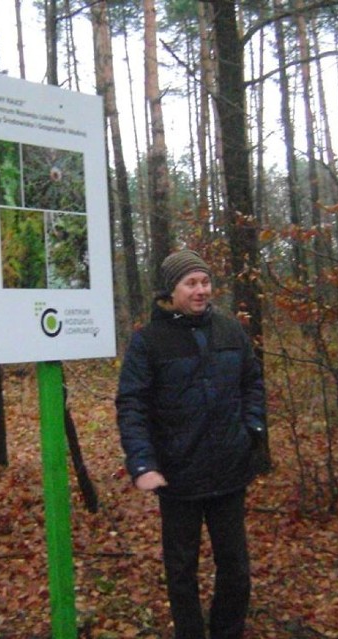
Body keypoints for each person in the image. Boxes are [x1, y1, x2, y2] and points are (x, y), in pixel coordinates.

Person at [116, 249, 266, 639]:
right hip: (178, 475)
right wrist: (143, 463)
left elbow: (252, 383)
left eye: (205, 282)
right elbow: (132, 404)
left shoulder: (231, 331)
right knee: (181, 570)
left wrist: (251, 431)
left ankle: (227, 631)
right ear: (172, 289)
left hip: (229, 470)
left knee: (234, 566)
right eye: (191, 283)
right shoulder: (148, 342)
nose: (201, 291)